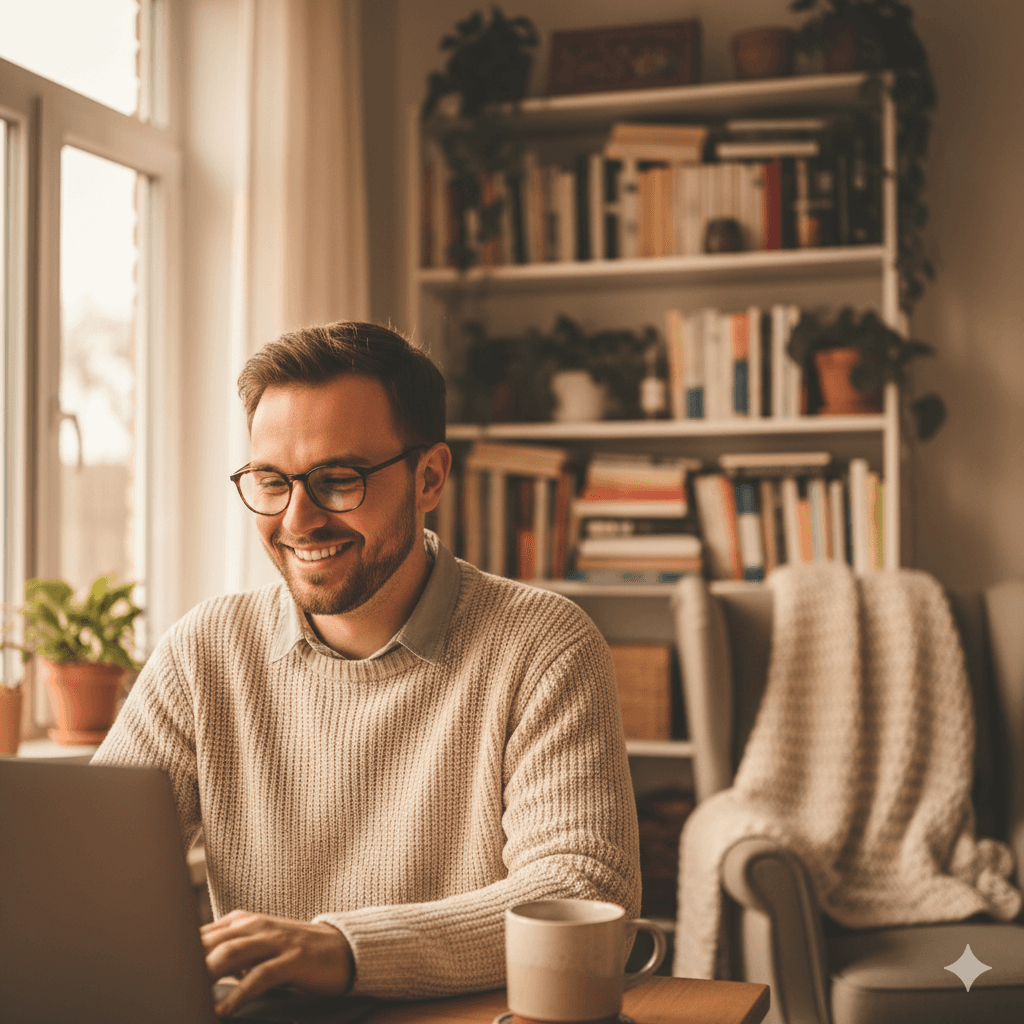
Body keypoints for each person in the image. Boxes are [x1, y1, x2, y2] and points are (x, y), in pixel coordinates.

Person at [92, 321, 640, 1016]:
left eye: (337, 480)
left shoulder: (544, 646)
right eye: (271, 481)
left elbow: (581, 892)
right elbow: (89, 866)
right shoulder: (203, 652)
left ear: (429, 477)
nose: (298, 520)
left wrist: (347, 950)